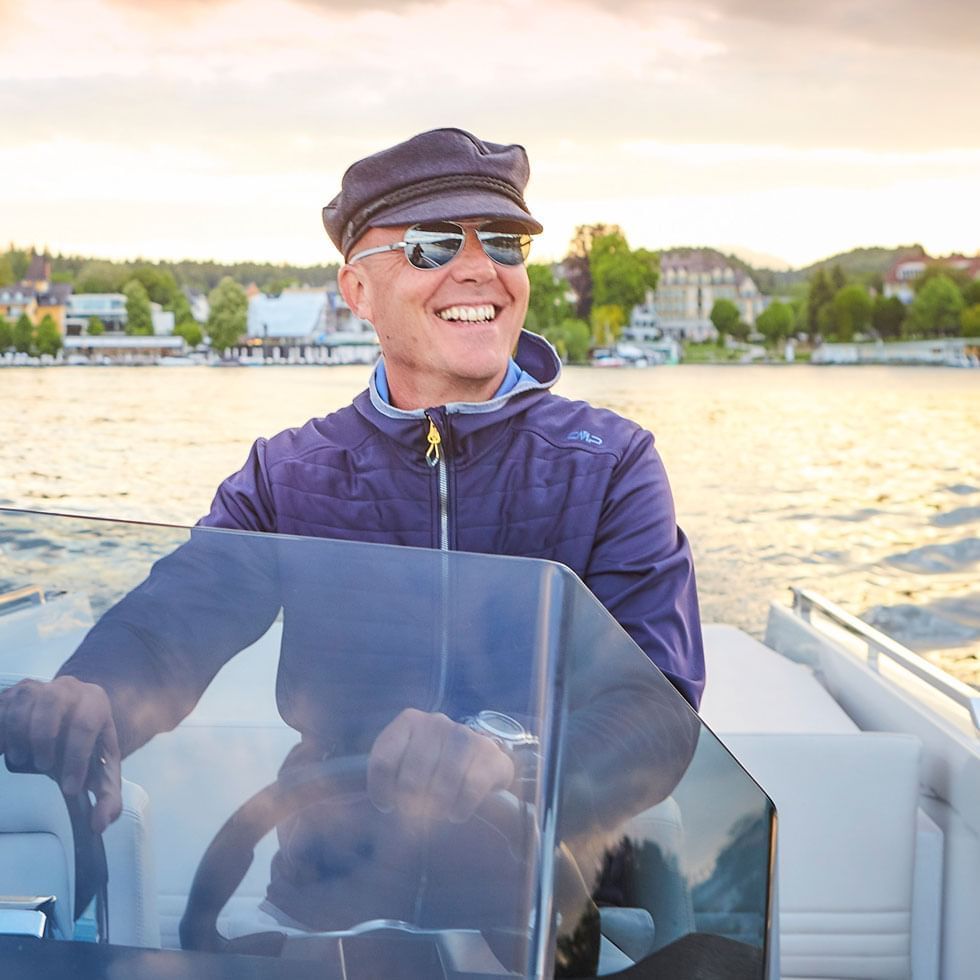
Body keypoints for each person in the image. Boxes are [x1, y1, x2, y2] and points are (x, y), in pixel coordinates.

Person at [0, 128, 706, 964]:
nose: (479, 269)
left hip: (538, 922)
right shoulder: (288, 473)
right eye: (433, 244)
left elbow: (656, 708)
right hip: (324, 909)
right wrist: (89, 695)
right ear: (357, 290)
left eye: (504, 243)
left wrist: (509, 755)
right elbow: (171, 628)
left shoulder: (611, 463)